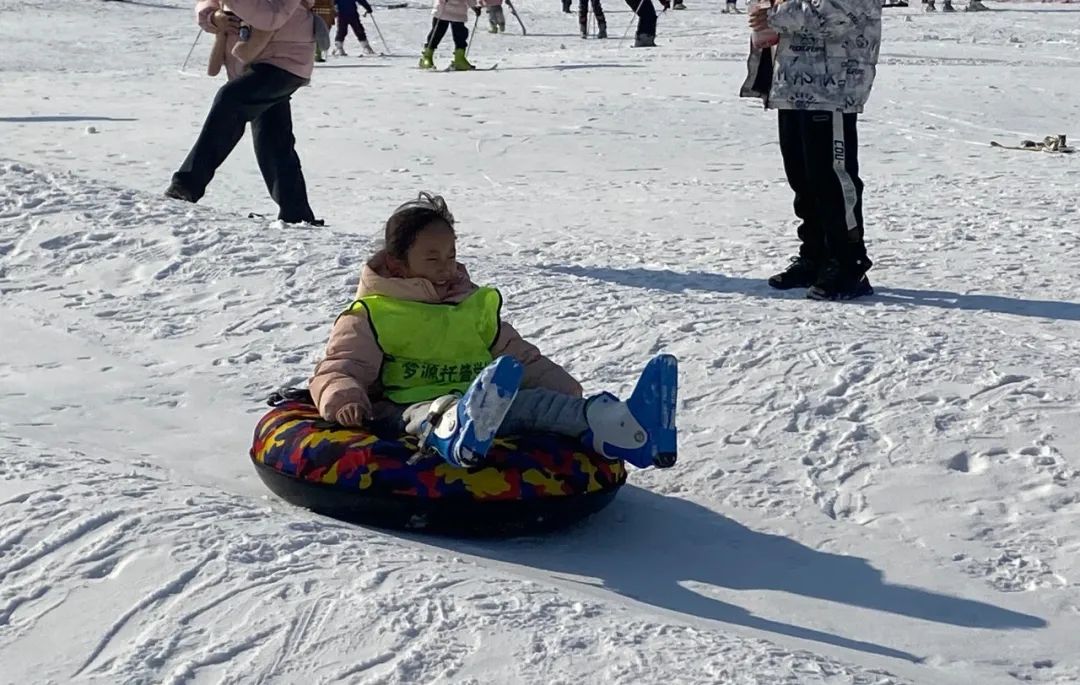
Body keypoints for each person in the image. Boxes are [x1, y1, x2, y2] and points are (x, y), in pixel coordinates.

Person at [309, 192, 678, 469]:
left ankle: (626, 429)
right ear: (397, 263)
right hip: (405, 408)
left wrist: (561, 388)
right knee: (432, 412)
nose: (445, 267)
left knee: (538, 405)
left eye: (451, 255)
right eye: (432, 258)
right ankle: (455, 434)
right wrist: (345, 398)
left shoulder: (472, 305)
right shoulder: (372, 313)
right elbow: (341, 365)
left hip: (484, 402)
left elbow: (517, 356)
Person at [741, 0, 880, 300]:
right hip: (793, 83)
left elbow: (837, 13)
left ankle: (848, 261)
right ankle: (815, 255)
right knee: (802, 178)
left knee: (831, 178)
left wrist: (774, 15)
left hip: (833, 86)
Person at [165, 0, 320, 225]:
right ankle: (296, 213)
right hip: (252, 62)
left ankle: (186, 185)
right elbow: (207, 4)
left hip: (285, 61)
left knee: (230, 101)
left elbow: (271, 17)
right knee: (272, 138)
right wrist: (213, 17)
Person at [420, 0, 481, 70]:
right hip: (443, 9)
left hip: (458, 12)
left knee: (460, 35)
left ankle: (459, 58)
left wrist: (474, 6)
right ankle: (427, 56)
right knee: (437, 33)